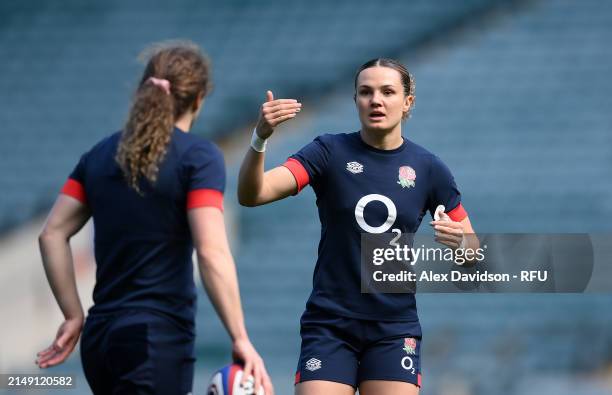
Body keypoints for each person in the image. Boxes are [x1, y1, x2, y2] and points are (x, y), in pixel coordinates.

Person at [36, 42, 274, 395]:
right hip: (154, 338)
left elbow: (51, 234)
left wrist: (73, 315)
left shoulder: (99, 155)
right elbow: (211, 252)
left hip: (101, 340)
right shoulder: (199, 157)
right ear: (198, 100)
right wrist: (240, 336)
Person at [237, 58, 478, 395]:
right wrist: (260, 138)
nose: (375, 100)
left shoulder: (429, 169)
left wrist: (460, 243)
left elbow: (473, 254)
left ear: (407, 102)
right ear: (355, 100)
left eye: (387, 91)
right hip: (330, 325)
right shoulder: (328, 152)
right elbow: (253, 194)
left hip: (394, 329)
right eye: (365, 92)